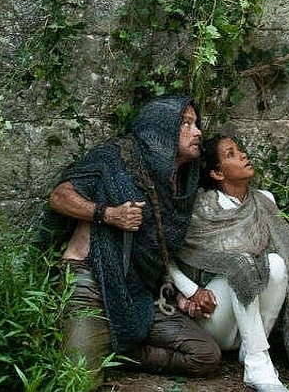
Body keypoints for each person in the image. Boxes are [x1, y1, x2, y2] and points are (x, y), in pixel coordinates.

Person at [47, 95, 222, 381]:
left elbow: (158, 250)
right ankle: (97, 344)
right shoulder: (115, 159)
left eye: (196, 123)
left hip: (136, 293)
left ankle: (113, 352)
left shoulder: (183, 180)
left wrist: (176, 293)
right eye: (187, 124)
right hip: (92, 282)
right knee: (76, 382)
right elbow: (59, 196)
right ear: (161, 129)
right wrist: (109, 214)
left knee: (206, 356)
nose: (198, 131)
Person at [172, 134, 289, 392]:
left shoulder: (265, 200)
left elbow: (287, 249)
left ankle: (251, 351)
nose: (242, 155)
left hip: (253, 321)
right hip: (214, 315)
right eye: (231, 154)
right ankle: (258, 366)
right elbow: (174, 256)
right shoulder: (204, 207)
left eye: (239, 150)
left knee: (274, 263)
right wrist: (190, 292)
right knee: (241, 264)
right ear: (218, 173)